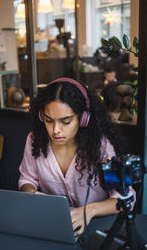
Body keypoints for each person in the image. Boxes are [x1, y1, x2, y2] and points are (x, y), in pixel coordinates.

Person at [18, 78, 135, 235]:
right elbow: (27, 179)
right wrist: (30, 193)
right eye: (49, 120)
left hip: (97, 229)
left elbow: (125, 198)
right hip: (53, 227)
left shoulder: (102, 146)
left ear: (83, 119)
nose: (55, 130)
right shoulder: (35, 140)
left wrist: (89, 211)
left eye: (65, 121)